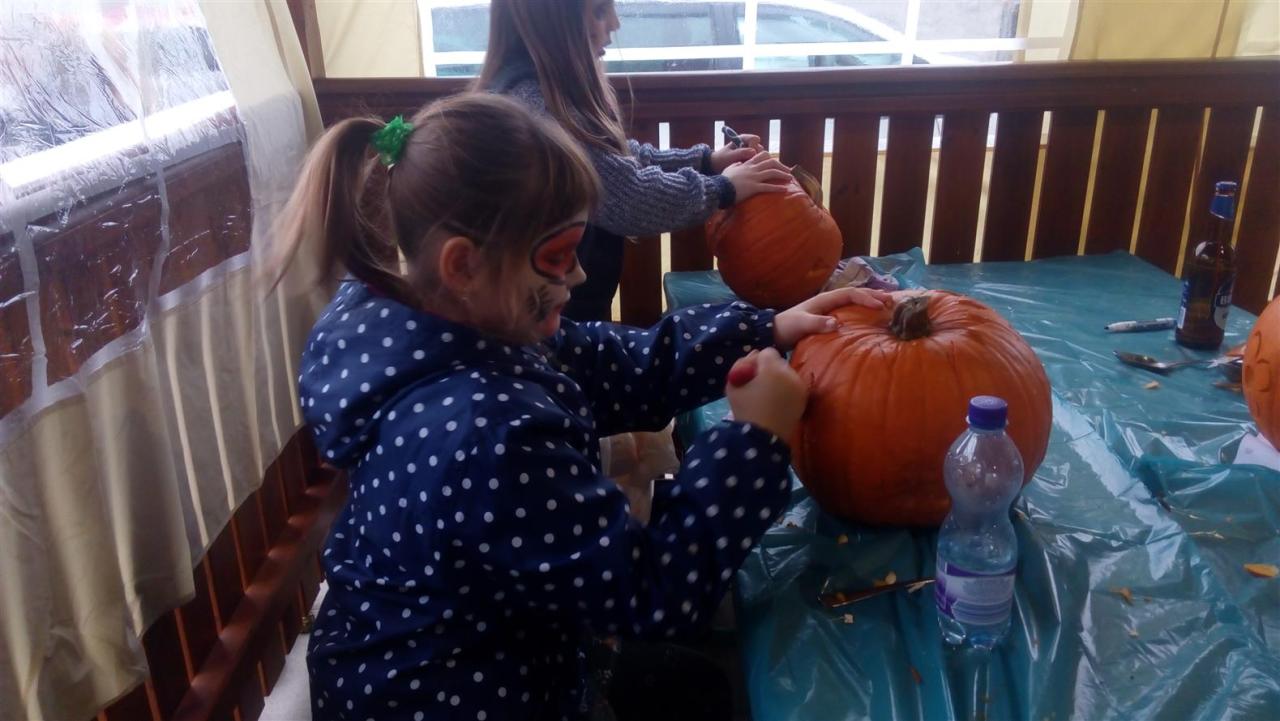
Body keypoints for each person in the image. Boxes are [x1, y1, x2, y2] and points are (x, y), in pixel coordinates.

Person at [272, 93, 889, 720]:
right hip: (454, 697)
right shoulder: (487, 437)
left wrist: (764, 328)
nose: (577, 277)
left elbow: (614, 363)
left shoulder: (442, 323)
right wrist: (753, 440)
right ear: (463, 266)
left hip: (489, 640)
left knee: (697, 686)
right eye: (559, 255)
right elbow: (654, 592)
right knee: (697, 690)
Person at [476, 0, 789, 322]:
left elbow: (618, 160)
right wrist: (723, 189)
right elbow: (629, 196)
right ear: (551, 24)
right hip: (543, 320)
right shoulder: (537, 113)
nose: (615, 23)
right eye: (600, 12)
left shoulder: (537, 94)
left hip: (567, 307)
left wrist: (707, 161)